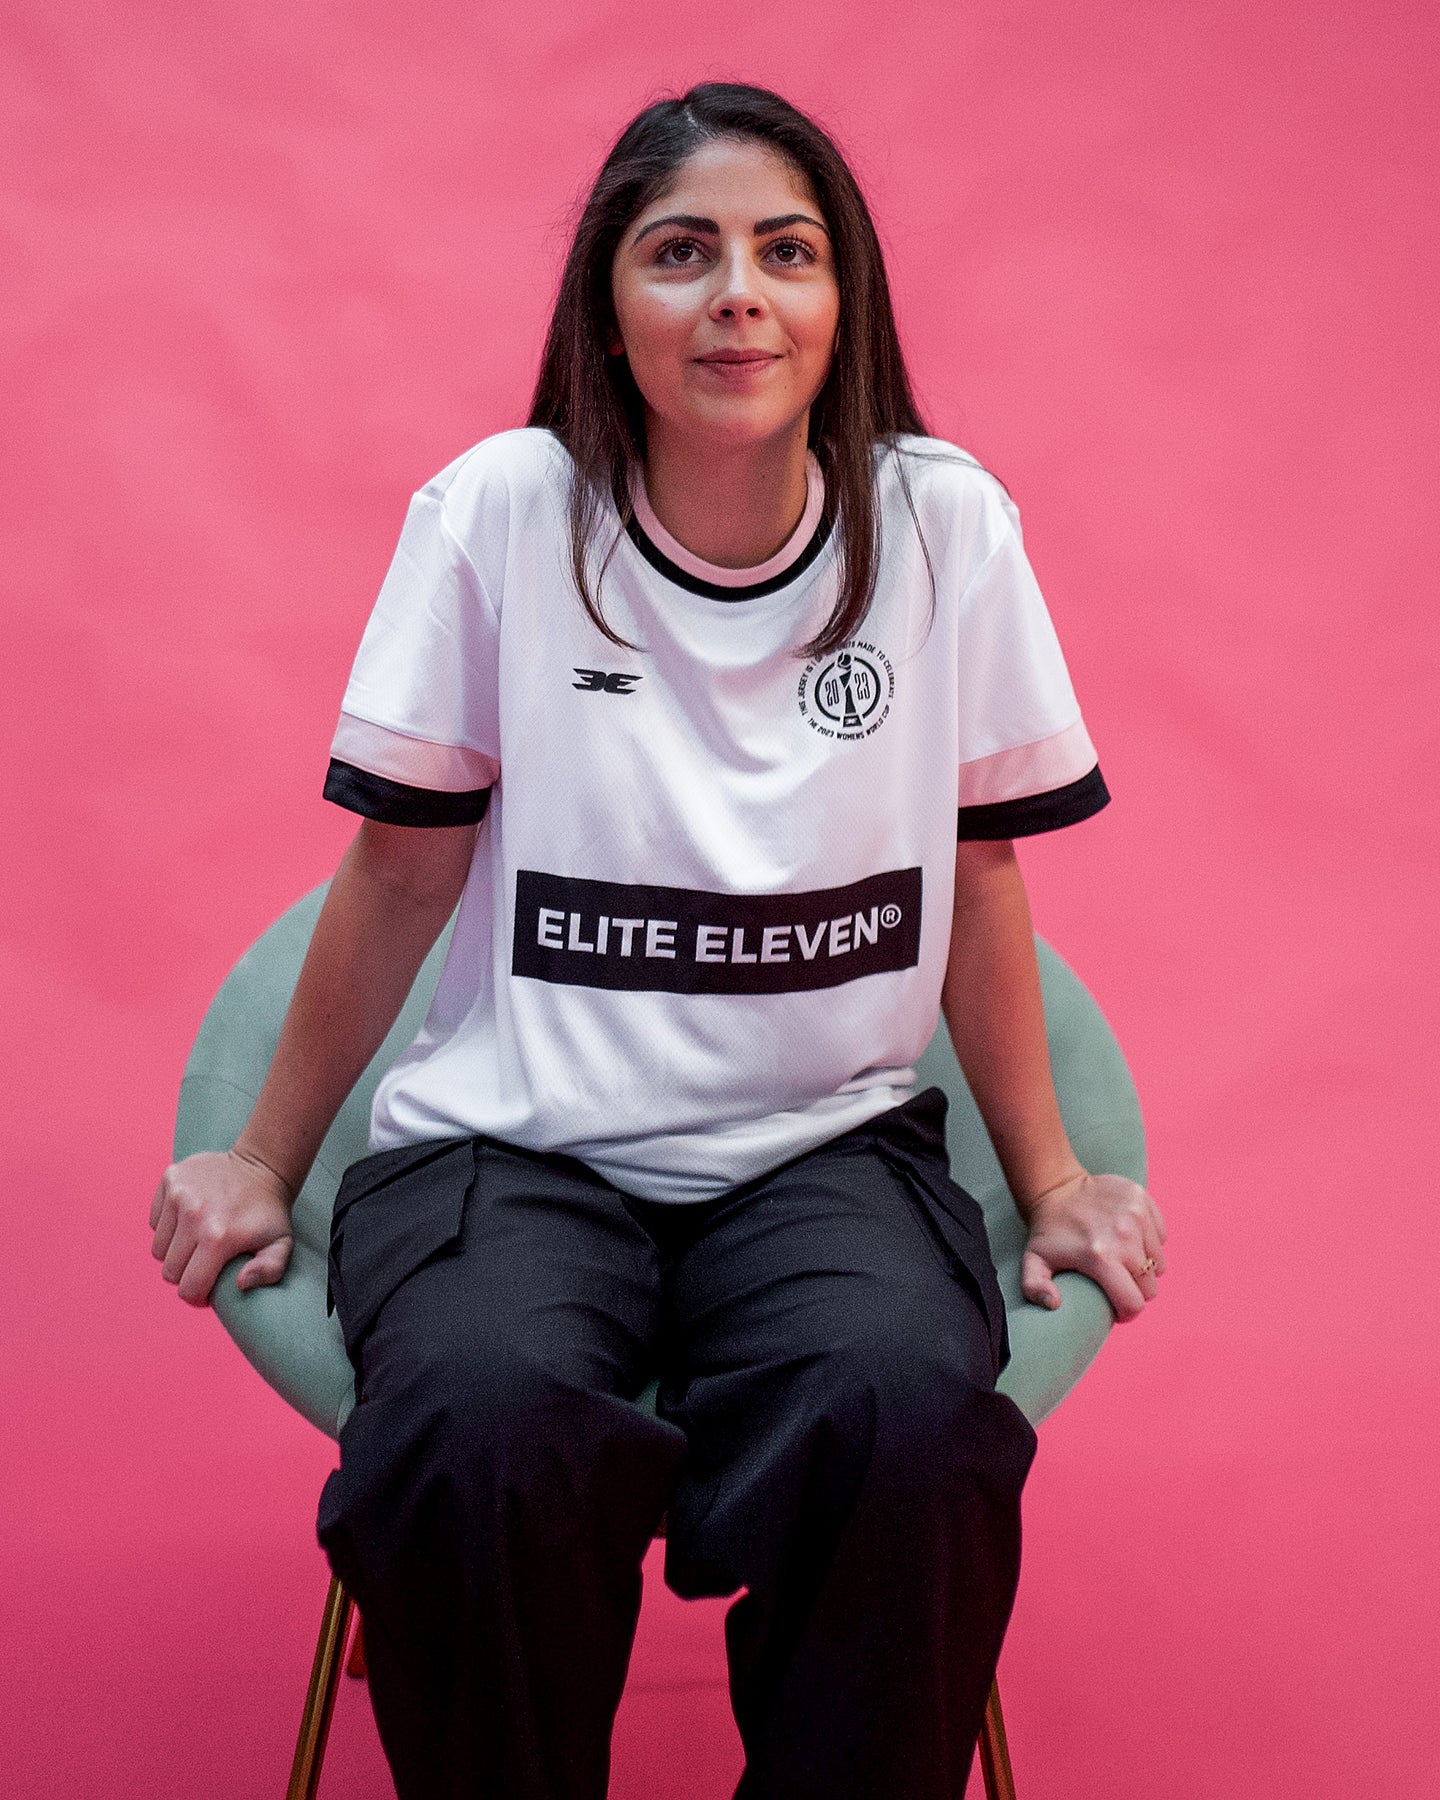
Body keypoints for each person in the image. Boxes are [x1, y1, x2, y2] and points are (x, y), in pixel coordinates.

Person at [151, 82, 1166, 1800]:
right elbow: (400, 873)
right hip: (517, 1154)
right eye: (681, 253)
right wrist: (260, 1157)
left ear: (843, 300)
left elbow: (978, 877)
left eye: (788, 253)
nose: (738, 297)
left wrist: (1054, 1176)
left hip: (824, 1154)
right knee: (474, 1432)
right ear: (609, 307)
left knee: (913, 1430)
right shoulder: (502, 511)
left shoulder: (944, 526)